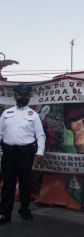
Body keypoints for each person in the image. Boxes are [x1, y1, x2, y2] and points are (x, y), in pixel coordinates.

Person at [0, 84, 46, 224]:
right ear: (15, 96)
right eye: (21, 94)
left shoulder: (33, 115)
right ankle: (4, 213)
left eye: (26, 95)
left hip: (25, 153)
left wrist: (40, 152)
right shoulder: (6, 113)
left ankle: (24, 210)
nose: (24, 97)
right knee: (8, 184)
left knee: (25, 183)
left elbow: (40, 135)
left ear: (29, 97)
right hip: (8, 153)